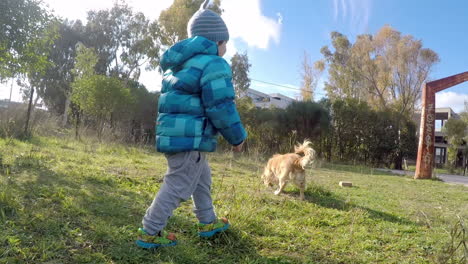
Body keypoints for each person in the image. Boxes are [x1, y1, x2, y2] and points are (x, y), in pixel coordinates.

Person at [136, 0, 247, 249]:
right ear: (216, 41)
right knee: (178, 184)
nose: (226, 48)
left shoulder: (179, 65)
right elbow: (220, 105)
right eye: (225, 42)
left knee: (201, 178)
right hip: (191, 138)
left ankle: (207, 221)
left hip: (176, 137)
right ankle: (150, 231)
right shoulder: (214, 63)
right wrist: (237, 137)